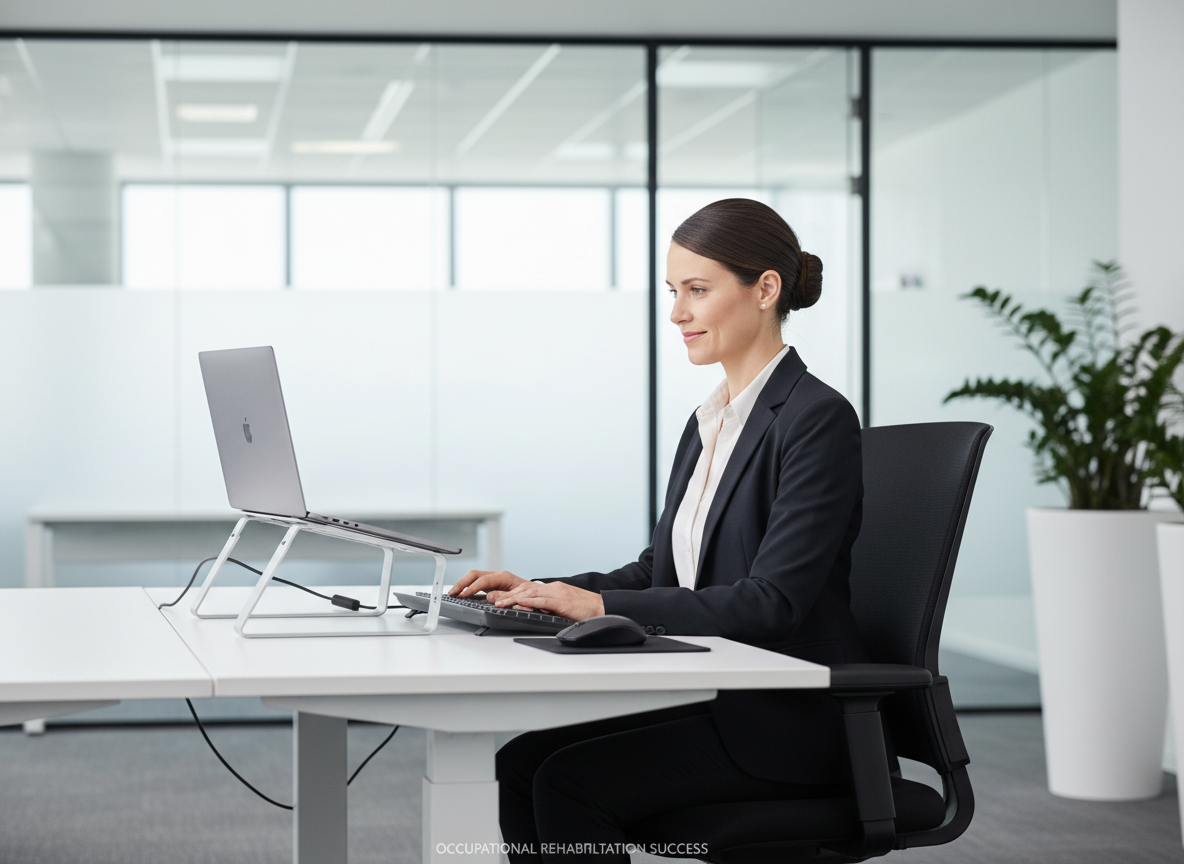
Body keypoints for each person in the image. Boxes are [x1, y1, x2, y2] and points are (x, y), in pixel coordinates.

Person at [448, 198, 866, 863]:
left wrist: (599, 605)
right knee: (518, 766)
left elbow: (773, 601)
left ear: (765, 290)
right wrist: (541, 591)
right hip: (712, 692)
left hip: (782, 721)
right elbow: (658, 571)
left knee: (566, 782)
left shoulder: (815, 418)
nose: (676, 314)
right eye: (674, 292)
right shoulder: (709, 423)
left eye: (697, 290)